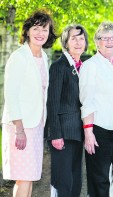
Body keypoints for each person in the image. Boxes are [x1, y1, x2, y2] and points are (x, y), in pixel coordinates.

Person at [1, 10, 57, 197]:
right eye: (36, 28)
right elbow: (11, 94)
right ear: (27, 31)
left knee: (31, 176)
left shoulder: (44, 56)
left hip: (36, 124)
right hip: (21, 126)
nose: (40, 33)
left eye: (45, 29)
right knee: (23, 177)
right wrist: (19, 129)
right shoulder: (19, 57)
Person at [79, 21, 113, 197]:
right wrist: (88, 132)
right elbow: (87, 101)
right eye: (104, 38)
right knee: (99, 179)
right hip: (101, 130)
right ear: (97, 42)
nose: (109, 41)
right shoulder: (90, 66)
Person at [44, 24, 88, 197]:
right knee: (63, 183)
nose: (78, 42)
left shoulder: (83, 67)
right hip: (62, 133)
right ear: (66, 42)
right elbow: (52, 102)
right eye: (73, 38)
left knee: (76, 182)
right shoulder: (59, 66)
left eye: (81, 38)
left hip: (78, 133)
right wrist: (55, 134)